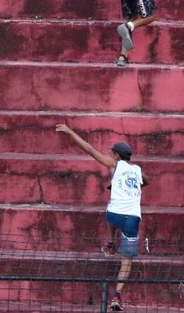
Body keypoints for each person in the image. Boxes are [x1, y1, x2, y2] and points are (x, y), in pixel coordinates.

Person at [55, 124, 147, 312]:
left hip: (114, 216)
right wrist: (134, 188)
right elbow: (146, 180)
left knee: (110, 210)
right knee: (126, 261)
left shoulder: (114, 164)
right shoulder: (137, 170)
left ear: (117, 156)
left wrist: (71, 131)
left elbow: (89, 149)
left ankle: (111, 243)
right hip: (132, 219)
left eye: (112, 153)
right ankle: (117, 296)